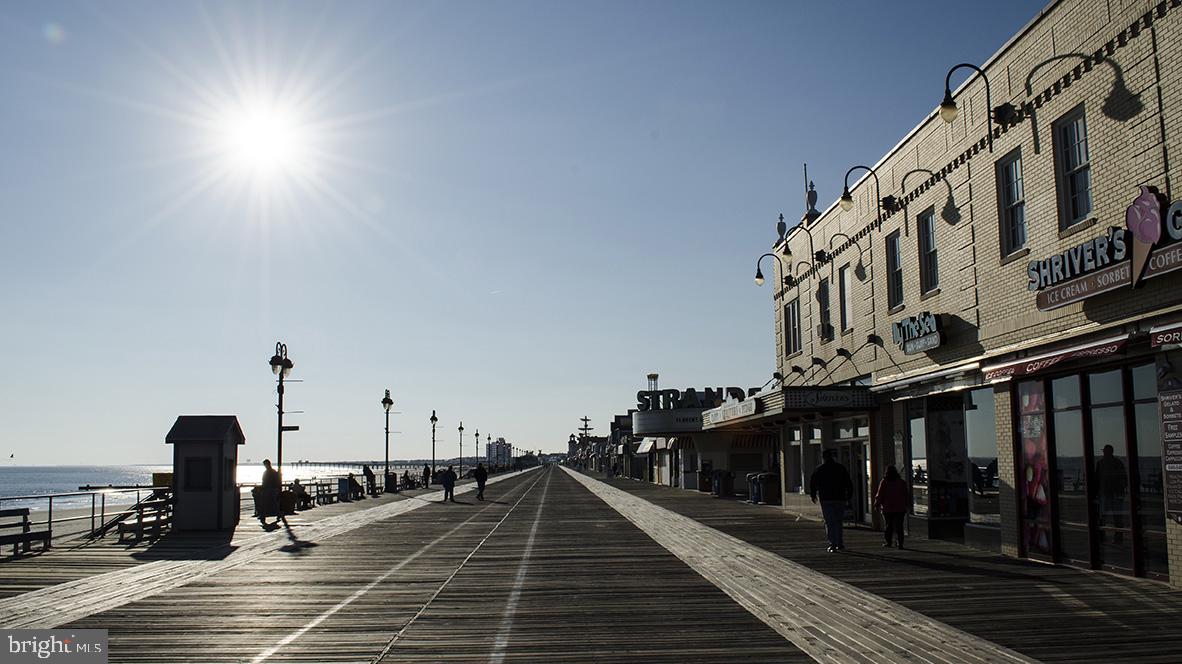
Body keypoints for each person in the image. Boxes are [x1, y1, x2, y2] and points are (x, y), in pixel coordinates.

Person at [809, 449, 853, 552]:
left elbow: (813, 483)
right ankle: (840, 543)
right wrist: (849, 494)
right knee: (838, 521)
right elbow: (848, 482)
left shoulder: (820, 469)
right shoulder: (840, 468)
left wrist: (813, 495)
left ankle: (832, 544)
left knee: (829, 522)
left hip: (826, 498)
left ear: (823, 458)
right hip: (839, 498)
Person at [1095, 444, 1128, 541]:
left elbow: (1096, 479)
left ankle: (1102, 536)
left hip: (1105, 493)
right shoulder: (1118, 462)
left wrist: (1097, 492)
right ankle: (1118, 537)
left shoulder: (1100, 463)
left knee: (1103, 517)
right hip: (1115, 493)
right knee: (1117, 517)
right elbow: (1124, 478)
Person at [874, 465, 909, 549]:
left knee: (888, 526)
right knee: (899, 526)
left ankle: (888, 542)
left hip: (887, 508)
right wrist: (908, 504)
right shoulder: (901, 482)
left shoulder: (884, 482)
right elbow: (906, 495)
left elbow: (880, 494)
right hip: (900, 508)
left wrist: (877, 504)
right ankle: (900, 543)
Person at [257, 459, 281, 525]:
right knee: (274, 503)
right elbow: (278, 481)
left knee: (264, 504)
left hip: (268, 489)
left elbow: (264, 481)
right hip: (273, 489)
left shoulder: (267, 472)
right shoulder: (274, 472)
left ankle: (263, 517)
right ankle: (278, 514)